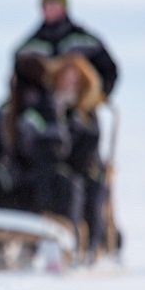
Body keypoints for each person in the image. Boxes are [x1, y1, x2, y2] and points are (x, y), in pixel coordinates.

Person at [0, 56, 83, 235]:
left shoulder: (51, 110)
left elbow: (55, 151)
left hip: (38, 185)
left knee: (65, 185)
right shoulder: (6, 113)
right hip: (18, 182)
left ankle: (61, 242)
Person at [48, 53, 109, 263]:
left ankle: (88, 247)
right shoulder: (48, 108)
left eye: (73, 80)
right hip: (53, 171)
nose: (68, 85)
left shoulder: (87, 114)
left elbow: (88, 146)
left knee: (85, 189)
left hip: (83, 170)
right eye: (65, 79)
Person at [15, 0, 119, 98]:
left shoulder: (85, 40)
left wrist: (98, 96)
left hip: (79, 104)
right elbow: (18, 77)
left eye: (55, 4)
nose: (50, 9)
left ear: (64, 7)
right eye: (47, 5)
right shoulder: (30, 46)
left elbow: (109, 69)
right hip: (44, 104)